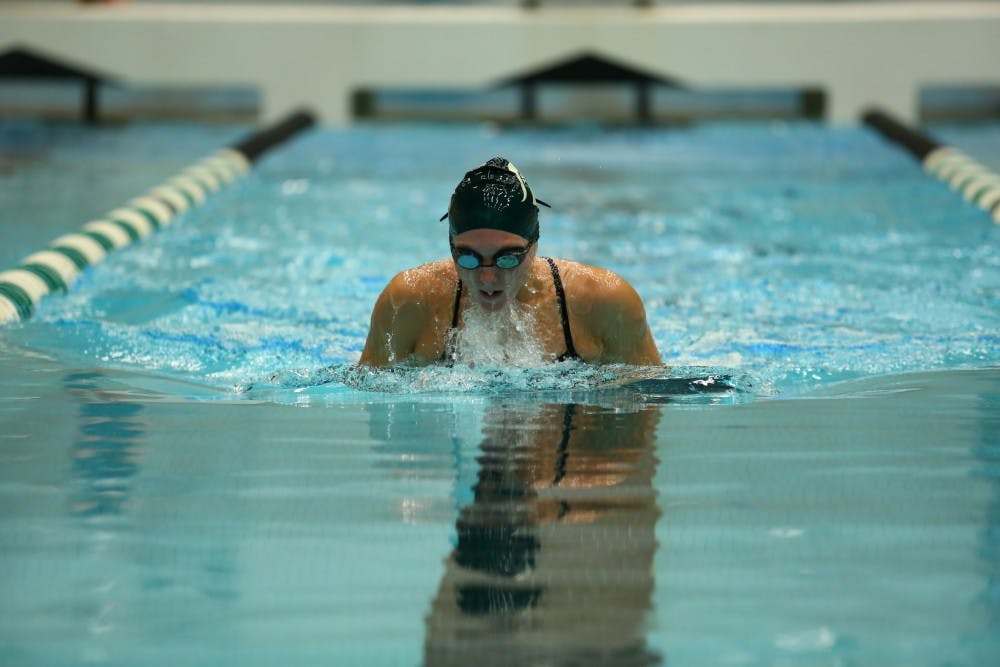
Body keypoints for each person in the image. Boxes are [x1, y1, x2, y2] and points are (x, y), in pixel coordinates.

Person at [359, 157, 662, 367]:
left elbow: (648, 410)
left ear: (534, 245)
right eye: (468, 257)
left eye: (507, 258)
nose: (487, 278)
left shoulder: (604, 302)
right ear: (450, 247)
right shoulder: (408, 302)